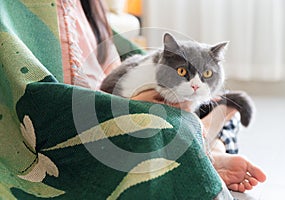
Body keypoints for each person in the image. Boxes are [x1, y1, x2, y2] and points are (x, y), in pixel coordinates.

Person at [65, 0, 266, 193]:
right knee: (175, 123)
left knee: (223, 109)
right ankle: (209, 147)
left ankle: (208, 143)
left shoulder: (93, 12)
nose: (198, 81)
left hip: (171, 96)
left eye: (207, 74)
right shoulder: (63, 15)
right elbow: (115, 95)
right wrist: (142, 99)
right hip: (123, 106)